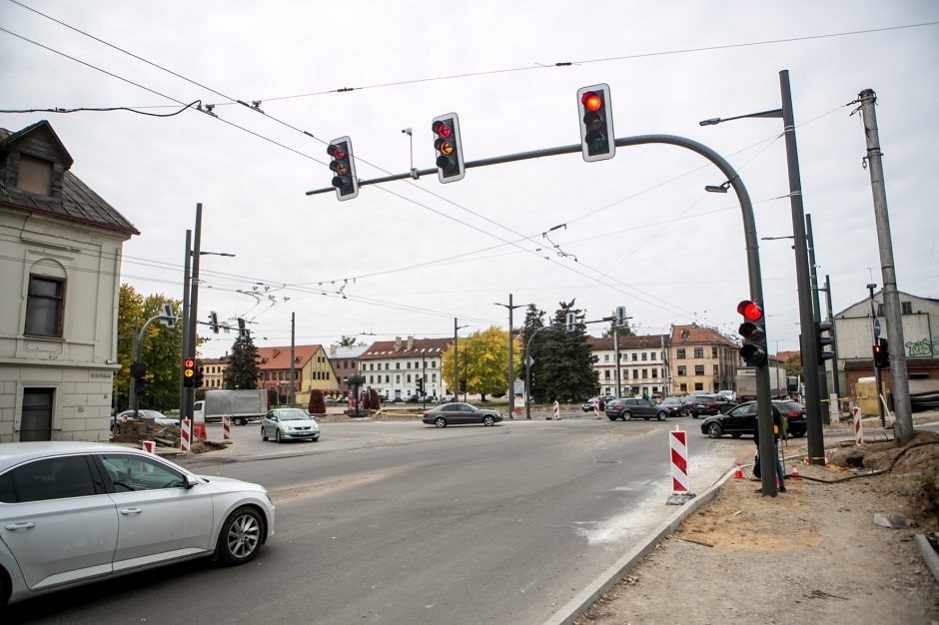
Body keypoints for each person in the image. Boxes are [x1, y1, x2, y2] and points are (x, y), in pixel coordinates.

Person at [753, 406, 787, 492]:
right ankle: (781, 485)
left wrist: (756, 441)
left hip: (764, 442)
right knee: (776, 463)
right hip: (774, 441)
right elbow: (779, 423)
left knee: (763, 463)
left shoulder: (761, 409)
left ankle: (766, 485)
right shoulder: (775, 409)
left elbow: (757, 427)